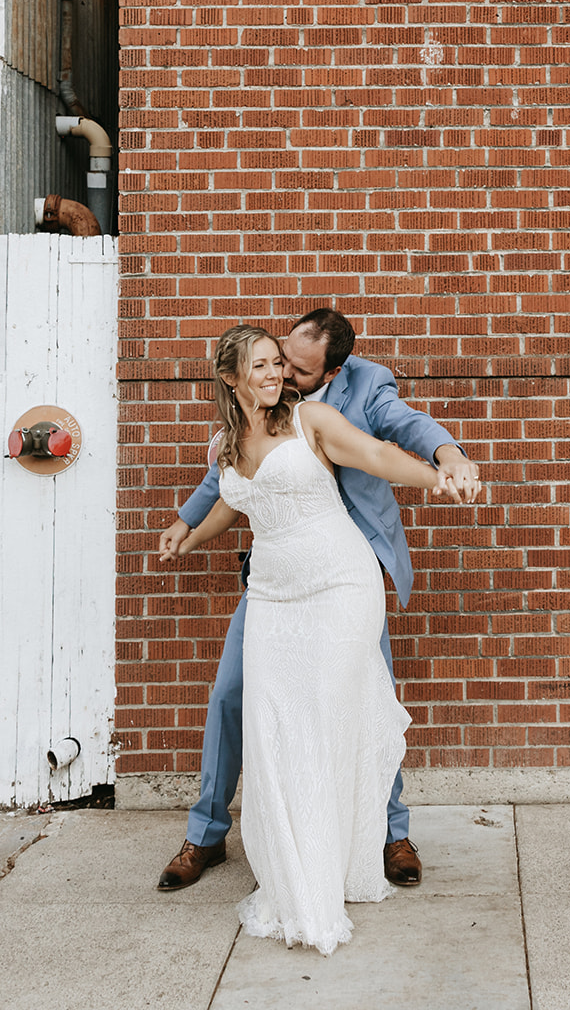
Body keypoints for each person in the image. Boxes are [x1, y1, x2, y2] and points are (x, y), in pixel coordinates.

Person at [162, 324, 480, 956]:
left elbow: (382, 449)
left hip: (341, 580)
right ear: (231, 378)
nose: (280, 375)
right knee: (261, 715)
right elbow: (232, 494)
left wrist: (443, 470)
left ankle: (380, 839)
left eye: (284, 366)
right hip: (274, 594)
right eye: (266, 365)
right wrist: (188, 532)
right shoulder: (228, 440)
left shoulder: (323, 410)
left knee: (345, 710)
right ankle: (226, 839)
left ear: (325, 368)